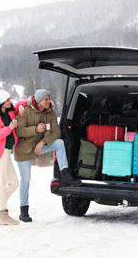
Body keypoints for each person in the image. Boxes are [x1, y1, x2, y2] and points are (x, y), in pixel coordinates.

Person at [14, 89, 81, 222]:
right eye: (46, 99)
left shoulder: (50, 112)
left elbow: (56, 132)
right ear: (39, 100)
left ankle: (65, 174)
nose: (49, 101)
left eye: (49, 98)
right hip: (24, 149)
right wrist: (36, 130)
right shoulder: (25, 110)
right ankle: (24, 210)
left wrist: (43, 142)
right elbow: (19, 130)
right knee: (25, 180)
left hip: (39, 146)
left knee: (59, 143)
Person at [0, 85, 30, 225]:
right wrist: (9, 128)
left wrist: (21, 106)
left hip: (7, 151)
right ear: (1, 102)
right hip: (0, 151)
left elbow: (21, 102)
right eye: (8, 99)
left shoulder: (9, 112)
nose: (10, 101)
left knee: (14, 183)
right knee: (1, 182)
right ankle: (2, 215)